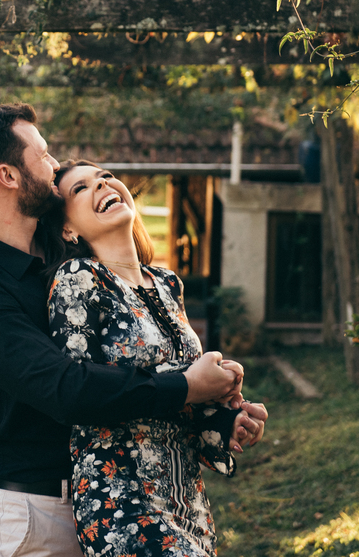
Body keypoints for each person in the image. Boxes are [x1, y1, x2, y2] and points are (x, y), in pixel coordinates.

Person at [0, 104, 267, 557]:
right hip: (34, 511)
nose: (54, 167)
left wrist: (218, 410)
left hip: (122, 497)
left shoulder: (66, 255)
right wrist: (186, 386)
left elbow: (135, 360)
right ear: (8, 176)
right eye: (43, 155)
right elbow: (66, 389)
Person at [42, 160, 268, 557]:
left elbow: (180, 399)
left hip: (186, 501)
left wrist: (226, 418)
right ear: (67, 229)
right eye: (81, 188)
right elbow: (81, 391)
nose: (102, 184)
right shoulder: (78, 278)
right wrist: (190, 383)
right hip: (122, 500)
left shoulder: (166, 285)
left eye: (105, 177)